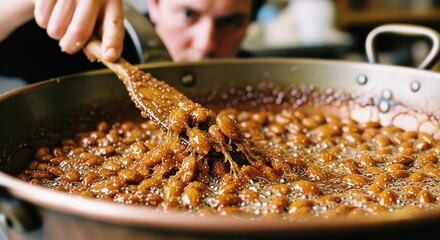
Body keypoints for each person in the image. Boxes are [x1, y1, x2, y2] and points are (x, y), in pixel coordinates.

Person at [0, 0, 264, 63]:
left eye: (230, 22)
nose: (206, 43)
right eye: (187, 14)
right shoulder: (85, 35)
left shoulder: (257, 77)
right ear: (155, 5)